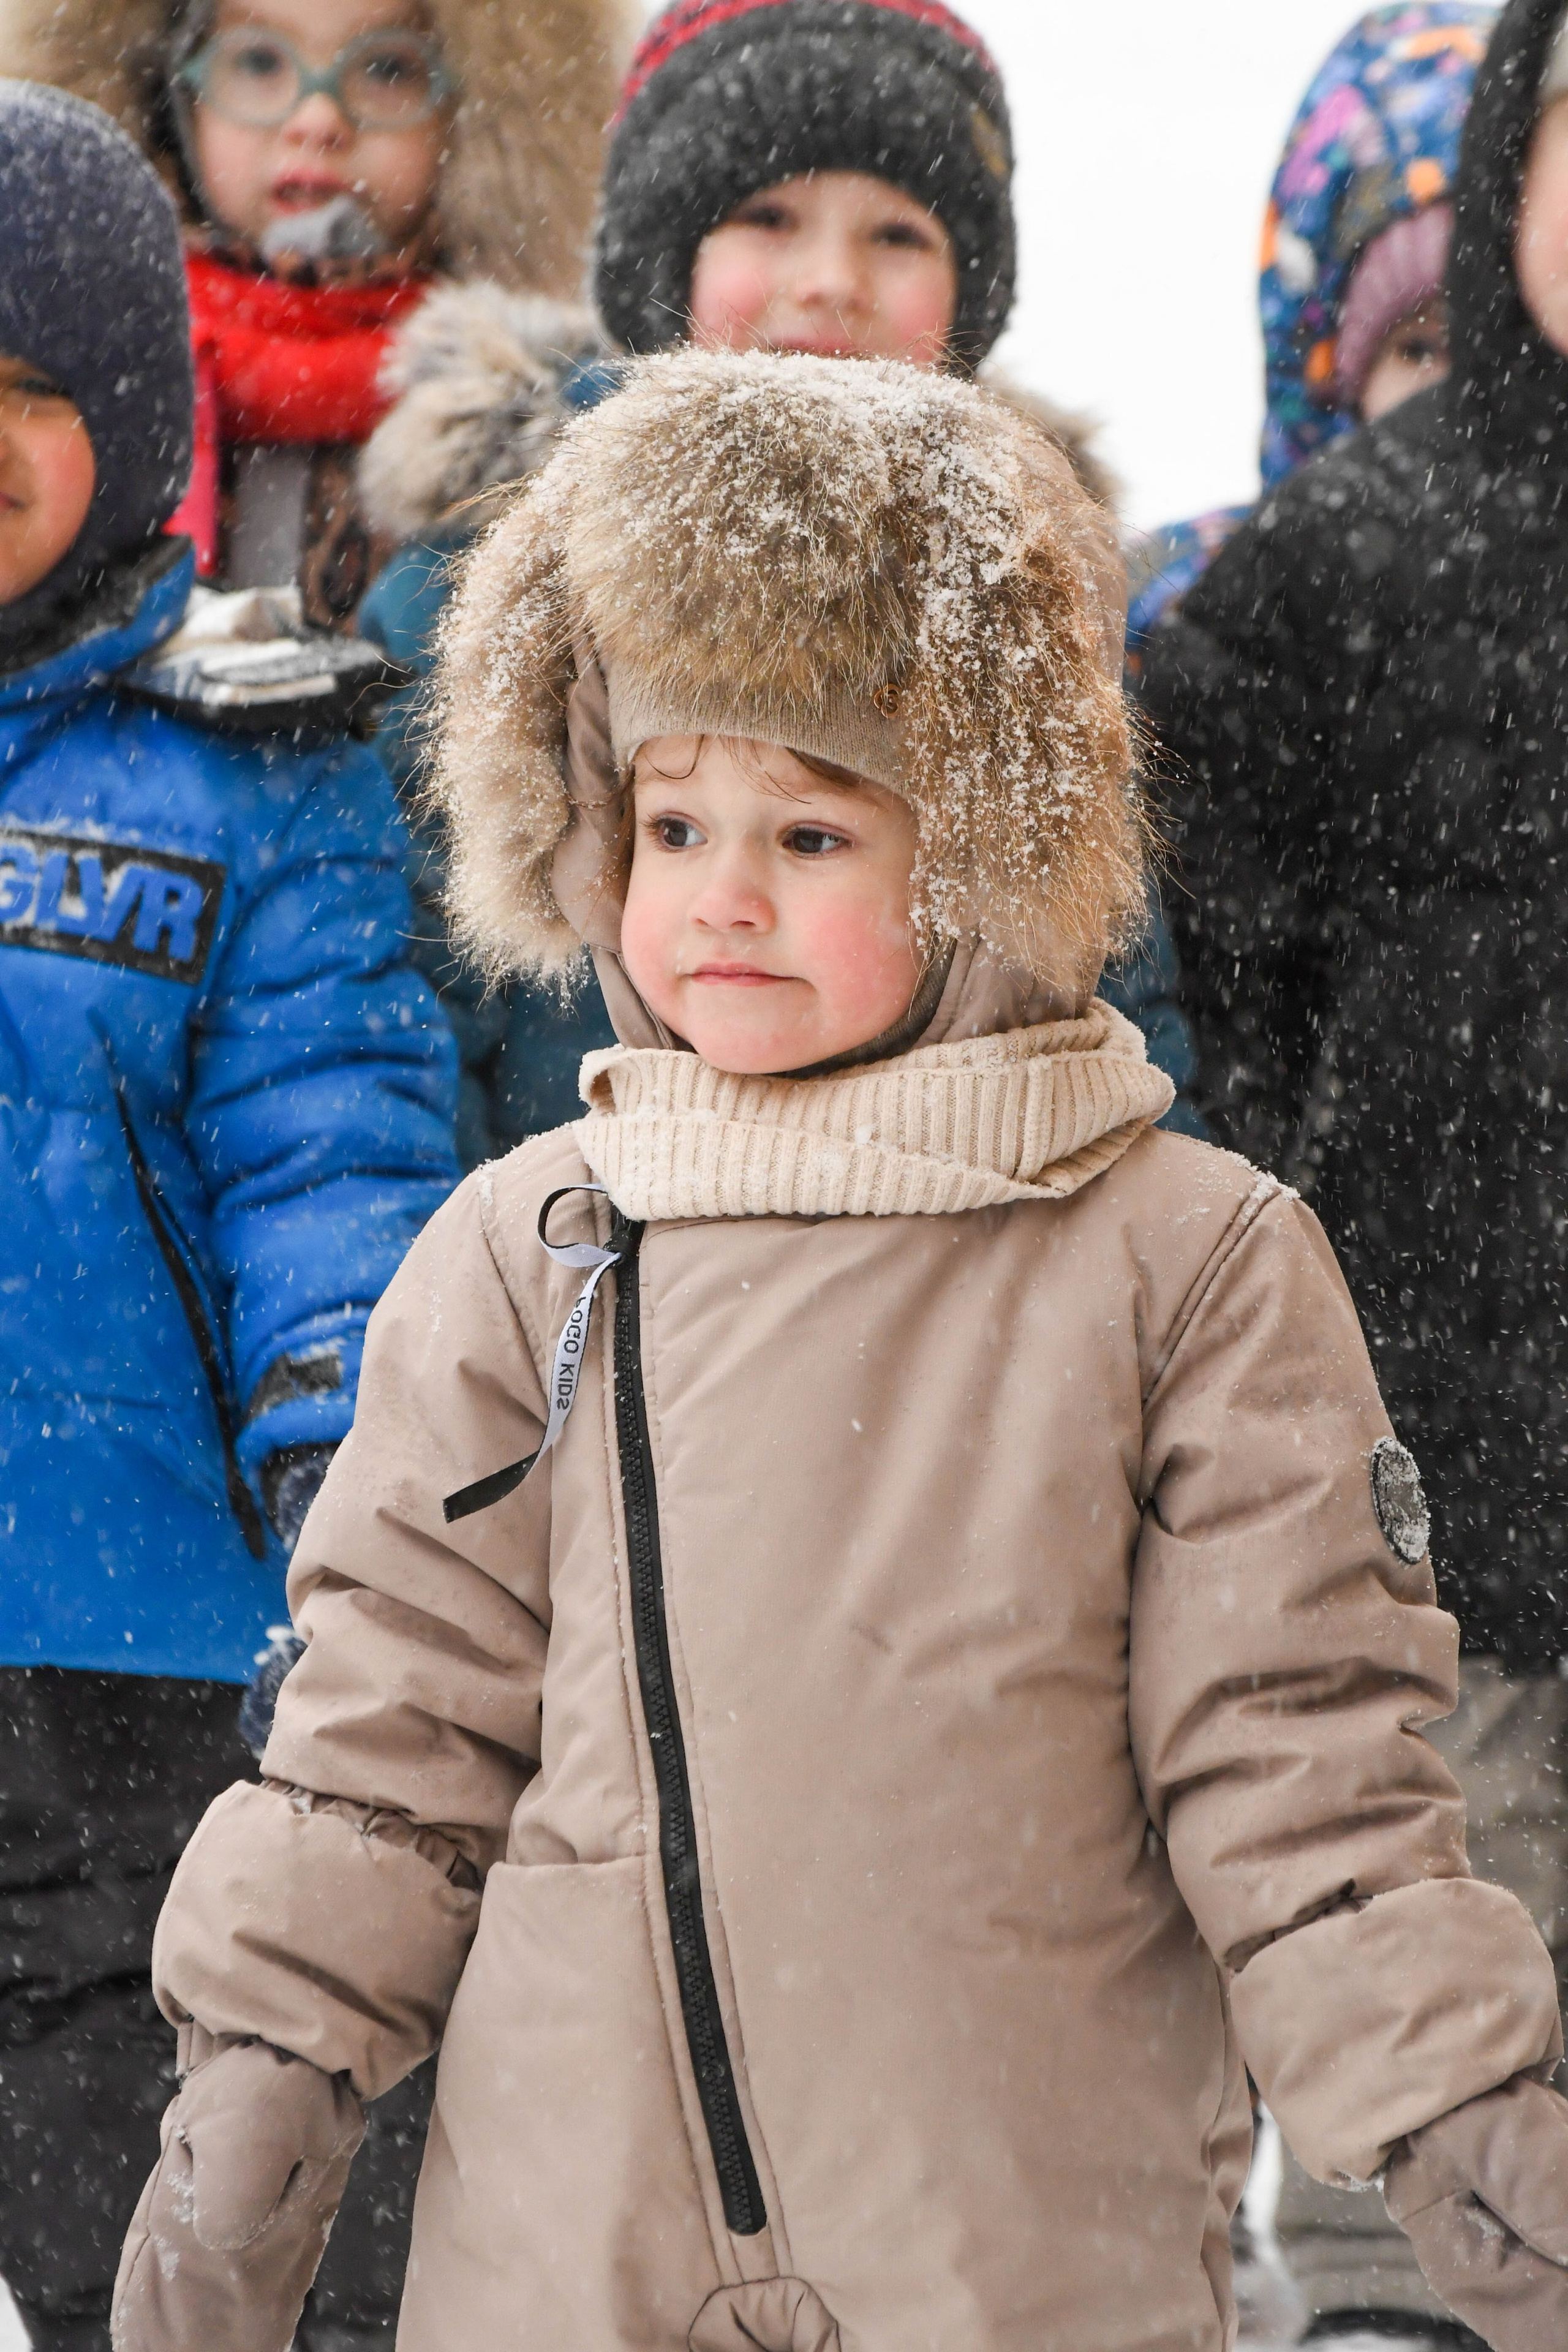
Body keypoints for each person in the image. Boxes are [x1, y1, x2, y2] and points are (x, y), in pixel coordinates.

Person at [110, 350, 1568, 2352]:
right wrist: (266, 2070)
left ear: (976, 839)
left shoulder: (1185, 1263)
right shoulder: (530, 1251)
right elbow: (386, 1743)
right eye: (673, 820)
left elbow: (1302, 1773)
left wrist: (1452, 2105)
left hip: (1008, 2242)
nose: (720, 899)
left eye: (809, 836)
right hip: (563, 2240)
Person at [0, 81, 459, 2352]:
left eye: (27, 393)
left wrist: (345, 1463)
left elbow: (333, 1149)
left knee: (187, 2182)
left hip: (153, 1628)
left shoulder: (253, 767)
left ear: (126, 416)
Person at [1137, 0, 1568, 2341]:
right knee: (1437, 2014)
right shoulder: (1325, 578)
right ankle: (1404, 2292)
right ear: (1498, 174)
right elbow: (1195, 984)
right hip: (1439, 1495)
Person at [355, 0, 1200, 1164]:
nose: (830, 280)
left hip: (946, 1272)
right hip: (595, 1273)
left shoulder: (1025, 598)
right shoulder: (491, 595)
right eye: (768, 215)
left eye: (897, 235)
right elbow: (396, 1018)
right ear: (666, 256)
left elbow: (1116, 1009)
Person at [0, 0, 631, 625]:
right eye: (256, 60)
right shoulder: (61, 382)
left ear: (477, 112)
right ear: (170, 95)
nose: (317, 118)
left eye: (387, 70)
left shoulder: (547, 414)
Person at [1126, 1, 1496, 660]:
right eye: (1419, 349)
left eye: (1501, 349)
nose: (1460, 399)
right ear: (1332, 376)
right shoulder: (1186, 607)